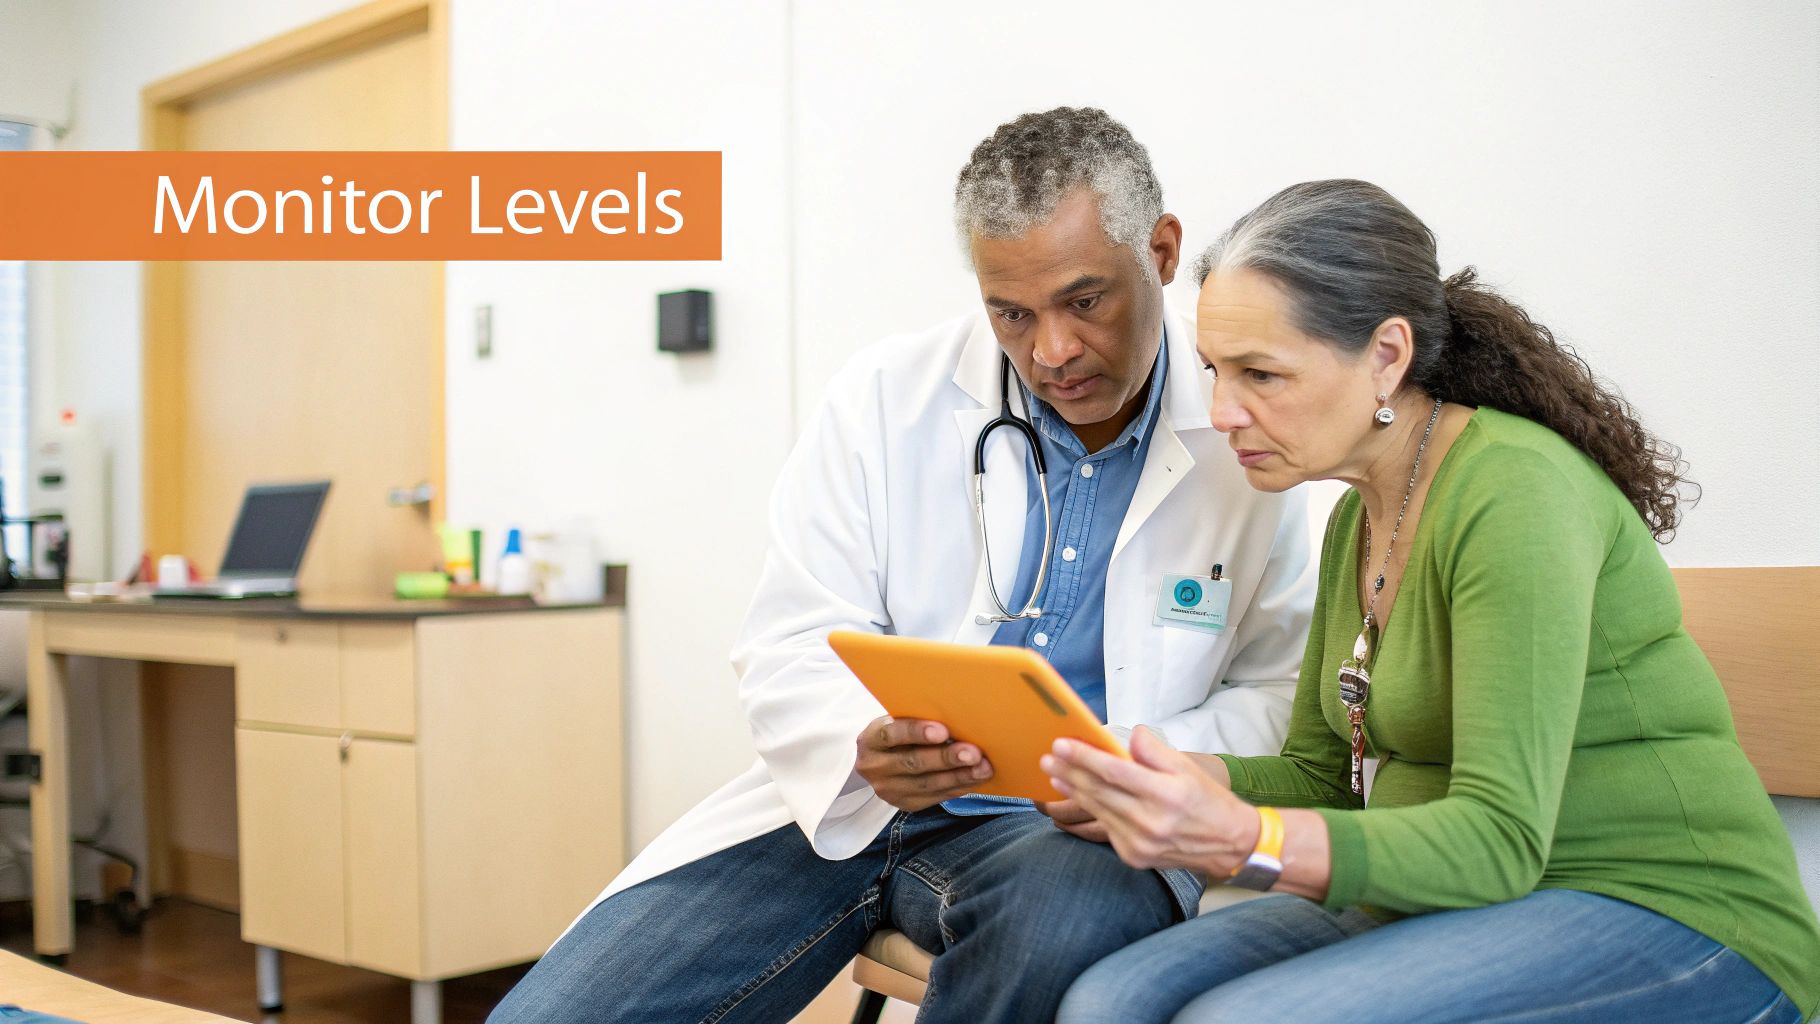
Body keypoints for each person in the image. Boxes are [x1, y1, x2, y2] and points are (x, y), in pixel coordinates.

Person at [486, 108, 1315, 1024]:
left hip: (1074, 832)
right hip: (847, 811)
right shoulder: (889, 396)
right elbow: (790, 635)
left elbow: (1280, 686)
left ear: (1161, 252)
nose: (1052, 351)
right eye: (1011, 312)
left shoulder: (1250, 425)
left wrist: (1136, 756)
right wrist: (867, 740)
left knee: (1063, 925)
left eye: (1086, 301)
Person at [1046, 179, 1820, 1024]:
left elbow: (1500, 844)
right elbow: (1323, 777)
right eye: (1214, 372)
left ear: (1386, 354)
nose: (1224, 411)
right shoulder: (1355, 516)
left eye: (1261, 374)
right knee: (1105, 1003)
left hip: (1671, 915)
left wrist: (1240, 839)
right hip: (1456, 901)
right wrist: (1163, 776)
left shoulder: (1513, 494)